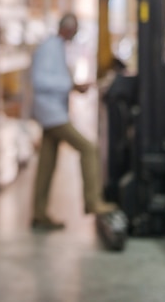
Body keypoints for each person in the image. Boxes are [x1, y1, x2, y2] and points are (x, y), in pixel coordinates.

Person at [30, 12, 115, 229]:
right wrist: (71, 86)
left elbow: (55, 77)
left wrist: (74, 85)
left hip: (54, 111)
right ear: (67, 28)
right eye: (75, 28)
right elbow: (40, 80)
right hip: (51, 113)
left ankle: (39, 214)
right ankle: (93, 201)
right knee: (89, 148)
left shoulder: (58, 46)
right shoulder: (50, 47)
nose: (76, 33)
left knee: (46, 165)